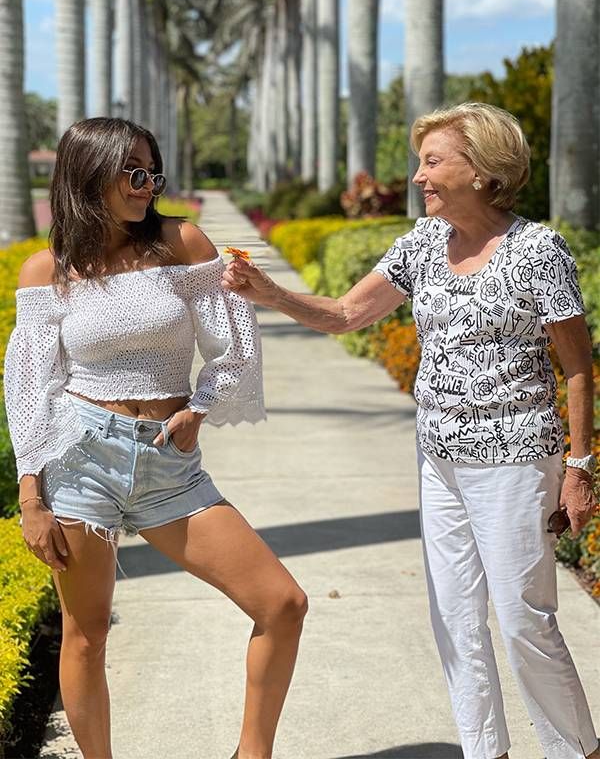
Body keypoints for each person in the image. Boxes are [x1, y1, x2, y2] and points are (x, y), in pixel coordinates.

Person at [223, 102, 599, 759]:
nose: (418, 176)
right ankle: (486, 752)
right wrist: (271, 293)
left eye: (433, 161)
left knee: (522, 623)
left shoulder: (538, 250)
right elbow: (345, 313)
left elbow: (577, 366)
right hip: (440, 460)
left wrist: (580, 466)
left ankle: (577, 751)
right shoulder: (423, 243)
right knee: (455, 622)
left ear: (481, 169)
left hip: (514, 461)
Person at [4, 117, 307, 759]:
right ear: (89, 176)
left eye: (153, 172)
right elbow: (31, 388)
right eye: (133, 173)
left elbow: (234, 344)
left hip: (168, 461)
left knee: (281, 603)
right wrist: (32, 497)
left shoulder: (183, 243)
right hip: (79, 456)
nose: (148, 186)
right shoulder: (46, 270)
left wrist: (199, 408)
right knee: (85, 637)